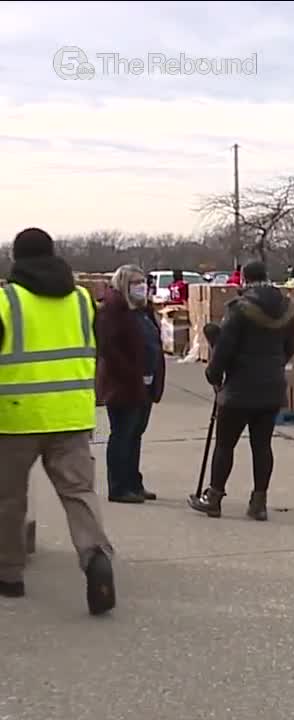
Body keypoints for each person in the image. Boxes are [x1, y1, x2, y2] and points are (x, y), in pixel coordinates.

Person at [0, 228, 116, 615]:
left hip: (16, 418)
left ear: (16, 259)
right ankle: (95, 555)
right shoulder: (82, 300)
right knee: (79, 493)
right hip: (71, 415)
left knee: (9, 500)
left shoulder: (6, 301)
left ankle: (10, 575)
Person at [188, 261, 294, 521]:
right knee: (263, 446)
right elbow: (291, 346)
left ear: (244, 280)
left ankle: (213, 498)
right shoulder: (288, 308)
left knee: (225, 444)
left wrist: (213, 375)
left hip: (239, 387)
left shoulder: (239, 309)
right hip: (271, 386)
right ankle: (259, 503)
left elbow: (223, 350)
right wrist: (273, 365)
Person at [96, 265, 165, 503]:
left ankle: (133, 482)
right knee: (122, 433)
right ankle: (118, 486)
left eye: (143, 282)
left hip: (146, 382)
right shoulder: (112, 311)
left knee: (135, 433)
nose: (141, 287)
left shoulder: (144, 310)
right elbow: (109, 348)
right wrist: (131, 373)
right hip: (123, 383)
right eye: (136, 282)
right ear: (125, 284)